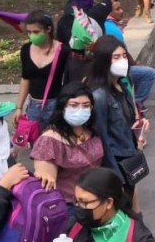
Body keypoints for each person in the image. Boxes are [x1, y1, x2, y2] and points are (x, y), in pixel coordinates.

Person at [87, 36, 146, 208]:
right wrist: (115, 177)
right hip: (116, 164)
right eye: (116, 57)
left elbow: (124, 123)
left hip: (129, 157)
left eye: (124, 56)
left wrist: (139, 128)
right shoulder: (99, 96)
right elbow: (102, 139)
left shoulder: (122, 87)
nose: (123, 61)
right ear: (104, 61)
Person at [56, 0, 133, 83]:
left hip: (74, 69)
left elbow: (61, 50)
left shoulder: (62, 22)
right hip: (97, 66)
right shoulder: (95, 14)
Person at [30, 82, 104, 210]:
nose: (80, 110)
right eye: (74, 105)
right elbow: (47, 185)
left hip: (97, 201)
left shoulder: (91, 131)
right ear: (62, 107)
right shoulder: (49, 141)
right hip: (70, 207)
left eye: (85, 105)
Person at [13, 10, 69, 133]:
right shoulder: (26, 49)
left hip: (54, 105)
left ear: (48, 29)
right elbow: (25, 78)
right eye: (29, 32)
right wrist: (19, 107)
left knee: (53, 143)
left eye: (36, 32)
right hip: (33, 106)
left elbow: (69, 79)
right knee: (35, 143)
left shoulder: (63, 51)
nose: (32, 35)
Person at [104, 0, 155, 112]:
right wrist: (132, 63)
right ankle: (136, 104)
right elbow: (123, 51)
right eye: (117, 9)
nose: (122, 11)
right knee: (149, 74)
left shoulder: (109, 24)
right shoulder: (111, 29)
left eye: (120, 8)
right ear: (108, 12)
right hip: (115, 70)